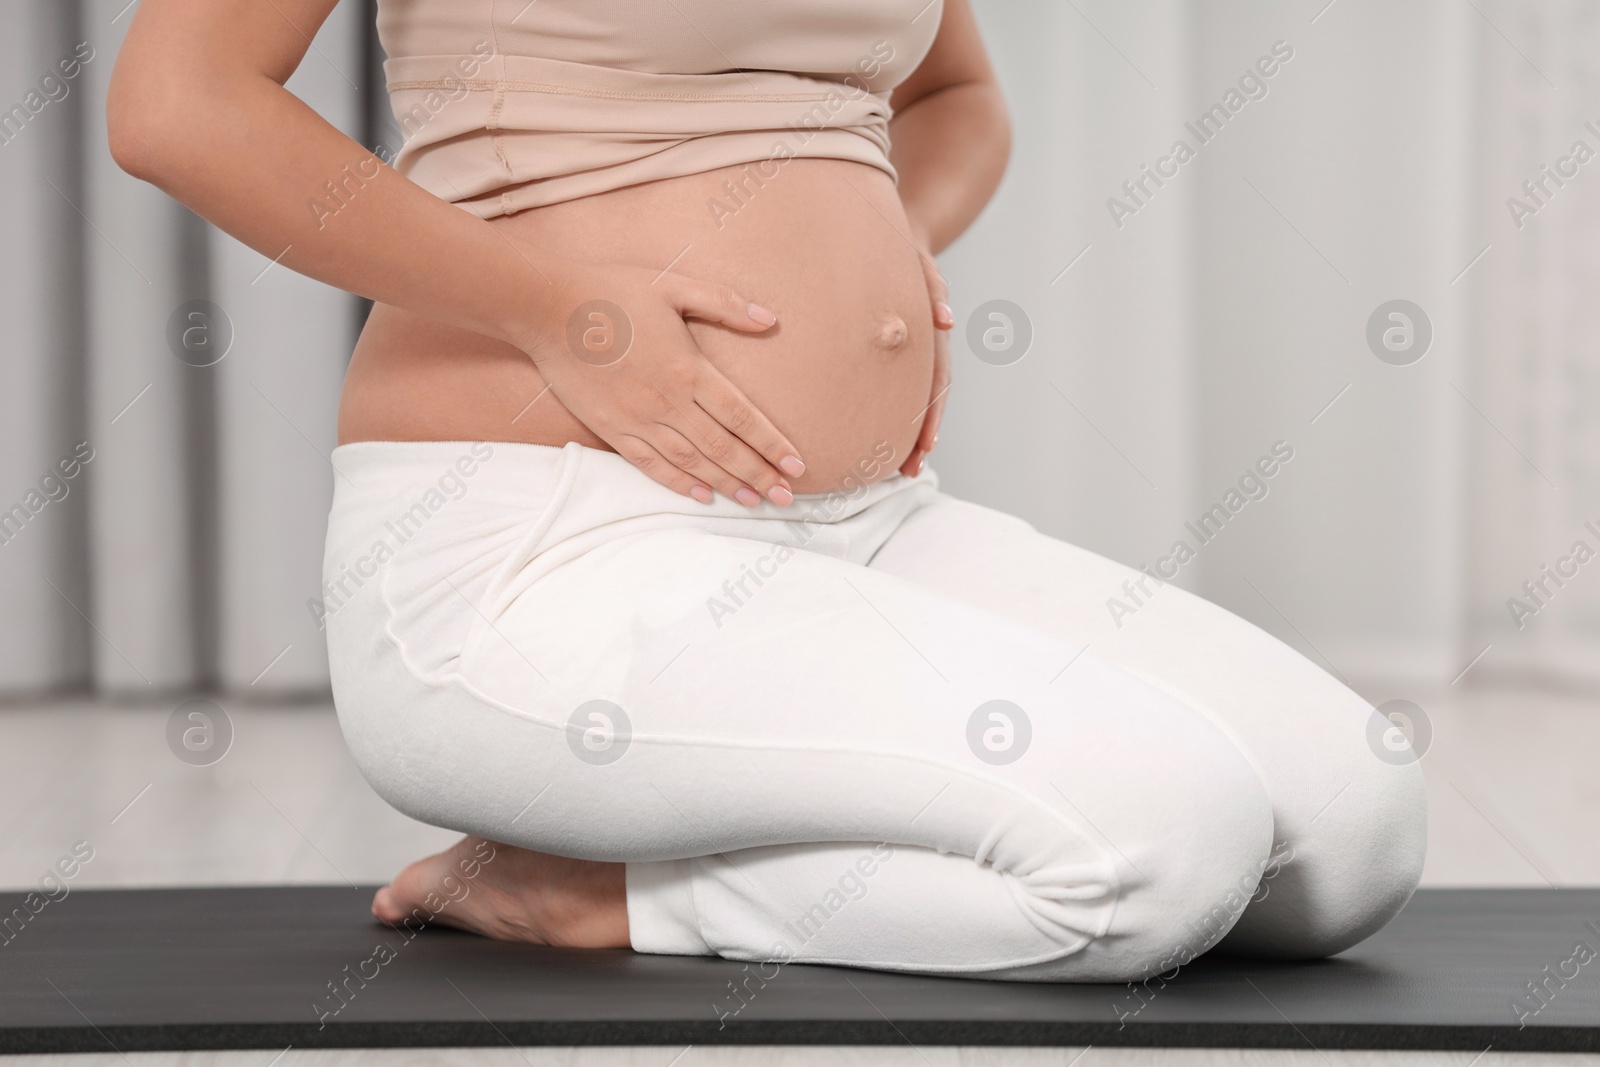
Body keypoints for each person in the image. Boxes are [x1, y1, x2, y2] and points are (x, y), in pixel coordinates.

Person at [109, 0, 1426, 981]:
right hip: (538, 545)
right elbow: (178, 103)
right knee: (1164, 852)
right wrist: (558, 311)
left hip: (863, 524)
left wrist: (886, 254)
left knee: (1355, 825)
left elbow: (955, 93)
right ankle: (601, 898)